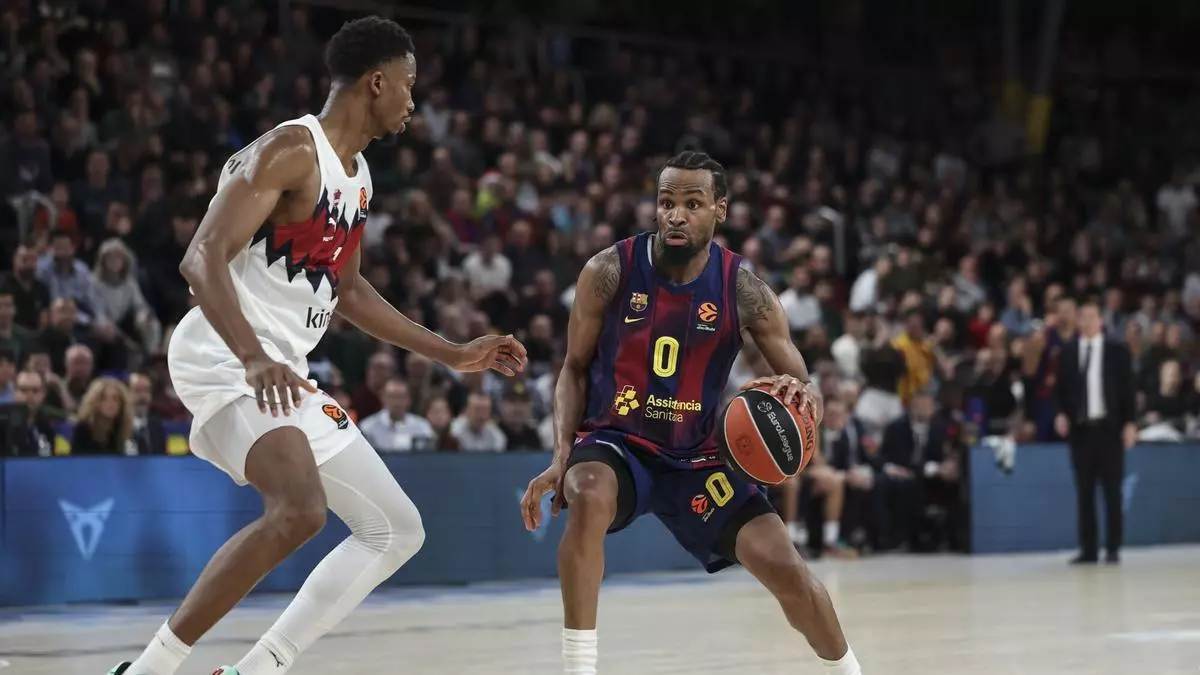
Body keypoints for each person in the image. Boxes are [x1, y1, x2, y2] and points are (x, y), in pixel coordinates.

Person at [110, 17, 527, 675]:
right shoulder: (289, 151)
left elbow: (350, 292)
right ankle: (147, 670)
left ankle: (258, 668)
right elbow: (201, 258)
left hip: (284, 368)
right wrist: (252, 356)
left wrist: (450, 351)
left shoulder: (356, 178)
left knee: (397, 528)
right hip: (227, 352)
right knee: (300, 509)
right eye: (409, 86)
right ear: (377, 81)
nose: (413, 102)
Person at [520, 152, 862, 675]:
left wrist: (804, 397)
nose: (675, 215)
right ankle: (578, 669)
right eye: (666, 202)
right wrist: (561, 453)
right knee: (588, 493)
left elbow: (801, 383)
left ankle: (850, 671)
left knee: (787, 569)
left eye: (692, 204)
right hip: (619, 442)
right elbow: (573, 367)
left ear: (719, 211)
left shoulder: (743, 290)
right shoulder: (609, 270)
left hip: (701, 456)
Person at [1054, 298, 1135, 565]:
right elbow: (1061, 389)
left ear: (1101, 320)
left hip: (1109, 430)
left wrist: (1130, 423)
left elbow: (1128, 391)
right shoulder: (1067, 351)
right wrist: (1061, 414)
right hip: (1081, 431)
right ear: (1077, 321)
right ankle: (1088, 550)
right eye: (1083, 316)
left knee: (1112, 491)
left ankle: (1113, 548)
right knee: (1084, 491)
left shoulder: (1117, 350)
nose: (1087, 321)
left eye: (1092, 316)